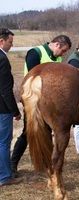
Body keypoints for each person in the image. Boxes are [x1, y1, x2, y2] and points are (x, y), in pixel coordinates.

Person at [10, 35, 71, 175]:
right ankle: (13, 163)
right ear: (56, 45)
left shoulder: (58, 59)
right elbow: (33, 77)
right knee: (27, 132)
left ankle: (47, 162)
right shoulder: (35, 53)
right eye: (63, 50)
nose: (63, 54)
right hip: (33, 100)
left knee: (48, 130)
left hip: (49, 103)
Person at [0, 28, 22, 186]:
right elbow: (5, 90)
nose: (11, 45)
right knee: (3, 142)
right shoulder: (2, 59)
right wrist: (15, 111)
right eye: (10, 42)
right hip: (2, 109)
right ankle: (5, 176)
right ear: (2, 41)